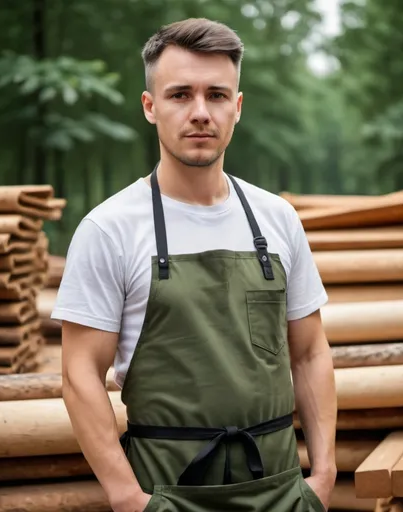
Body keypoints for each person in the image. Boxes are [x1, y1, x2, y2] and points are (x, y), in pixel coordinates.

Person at [52, 17, 337, 512]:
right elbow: (80, 374)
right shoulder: (109, 229)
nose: (200, 112)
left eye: (217, 95)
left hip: (282, 489)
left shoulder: (278, 219)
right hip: (169, 491)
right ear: (150, 106)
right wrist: (127, 498)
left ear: (238, 107)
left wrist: (324, 474)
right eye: (180, 94)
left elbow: (310, 353)